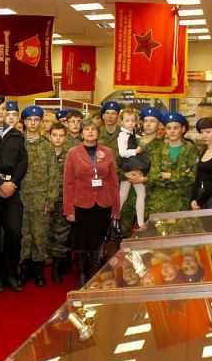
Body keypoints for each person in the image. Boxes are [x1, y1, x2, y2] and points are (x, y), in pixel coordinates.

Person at [63, 117, 120, 288]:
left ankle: (95, 271)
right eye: (86, 129)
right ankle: (82, 273)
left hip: (103, 204)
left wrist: (116, 207)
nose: (90, 132)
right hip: (81, 204)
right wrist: (69, 209)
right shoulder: (73, 153)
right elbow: (68, 183)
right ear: (81, 133)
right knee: (81, 240)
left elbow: (114, 181)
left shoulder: (107, 152)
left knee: (99, 240)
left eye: (93, 129)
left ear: (97, 133)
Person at [0, 95, 27, 293]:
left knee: (14, 233)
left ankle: (11, 273)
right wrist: (1, 183)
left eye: (3, 109)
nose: (1, 112)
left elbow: (22, 161)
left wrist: (13, 183)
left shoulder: (16, 134)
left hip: (12, 190)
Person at [19, 106, 57, 286]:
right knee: (23, 235)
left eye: (36, 119)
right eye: (29, 120)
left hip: (41, 198)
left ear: (41, 122)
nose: (33, 123)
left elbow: (53, 175)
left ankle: (39, 272)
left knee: (40, 236)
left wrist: (50, 199)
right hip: (21, 197)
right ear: (24, 122)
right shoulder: (19, 143)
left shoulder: (47, 146)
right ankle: (24, 269)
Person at [147, 112, 199, 214]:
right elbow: (154, 176)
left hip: (182, 203)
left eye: (176, 128)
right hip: (160, 204)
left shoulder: (191, 150)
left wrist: (167, 175)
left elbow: (191, 177)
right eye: (169, 128)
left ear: (183, 129)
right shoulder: (159, 150)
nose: (172, 131)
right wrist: (178, 177)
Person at [116, 107, 148, 231]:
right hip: (129, 166)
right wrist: (136, 151)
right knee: (124, 195)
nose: (130, 123)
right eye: (127, 120)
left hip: (133, 165)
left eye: (133, 121)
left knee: (128, 194)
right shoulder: (123, 135)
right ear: (121, 122)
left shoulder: (133, 134)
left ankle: (138, 223)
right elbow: (122, 152)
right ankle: (117, 222)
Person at [47, 122, 71, 283]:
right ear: (49, 136)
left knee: (61, 235)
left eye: (61, 135)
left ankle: (56, 268)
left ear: (65, 137)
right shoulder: (44, 154)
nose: (58, 138)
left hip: (63, 200)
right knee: (43, 233)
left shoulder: (71, 156)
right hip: (45, 200)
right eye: (55, 135)